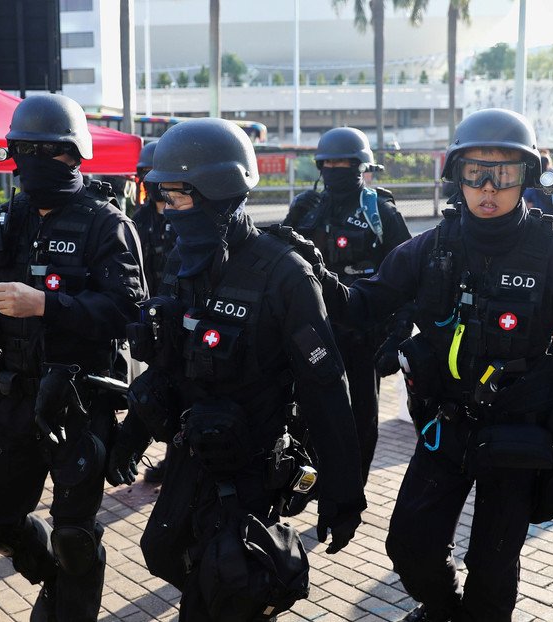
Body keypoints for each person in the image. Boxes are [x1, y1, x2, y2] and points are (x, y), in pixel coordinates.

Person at [324, 108, 553, 621]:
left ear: (526, 177)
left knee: (493, 565)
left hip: (519, 435)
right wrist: (311, 277)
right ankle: (440, 608)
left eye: (503, 174)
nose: (488, 188)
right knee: (409, 548)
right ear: (455, 175)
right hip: (446, 426)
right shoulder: (427, 250)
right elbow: (364, 303)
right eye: (475, 173)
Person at [107, 118, 366, 620]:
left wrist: (343, 493)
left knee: (228, 585)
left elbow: (326, 390)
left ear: (216, 191)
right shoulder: (185, 261)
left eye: (177, 197)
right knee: (163, 550)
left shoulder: (285, 273)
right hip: (192, 454)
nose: (167, 210)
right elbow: (167, 363)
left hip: (254, 464)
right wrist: (131, 437)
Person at [0, 93, 145, 621]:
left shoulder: (106, 224)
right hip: (12, 395)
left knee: (75, 536)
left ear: (74, 156)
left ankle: (68, 603)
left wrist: (47, 305)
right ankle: (52, 575)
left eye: (46, 152)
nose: (32, 164)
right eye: (22, 151)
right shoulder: (1, 222)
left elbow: (128, 312)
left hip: (79, 399)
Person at [283, 126, 412, 479]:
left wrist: (397, 337)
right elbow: (279, 261)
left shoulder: (380, 211)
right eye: (330, 163)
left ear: (361, 166)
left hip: (363, 333)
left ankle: (352, 486)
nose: (337, 170)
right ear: (321, 166)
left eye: (345, 163)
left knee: (361, 419)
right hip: (312, 327)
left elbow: (408, 277)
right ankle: (312, 479)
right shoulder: (307, 208)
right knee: (307, 407)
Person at [129, 140, 176, 485]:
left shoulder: (186, 217)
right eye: (144, 173)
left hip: (182, 320)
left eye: (154, 173)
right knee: (154, 390)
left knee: (182, 392)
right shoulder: (137, 220)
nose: (149, 179)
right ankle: (163, 456)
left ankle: (178, 462)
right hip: (150, 321)